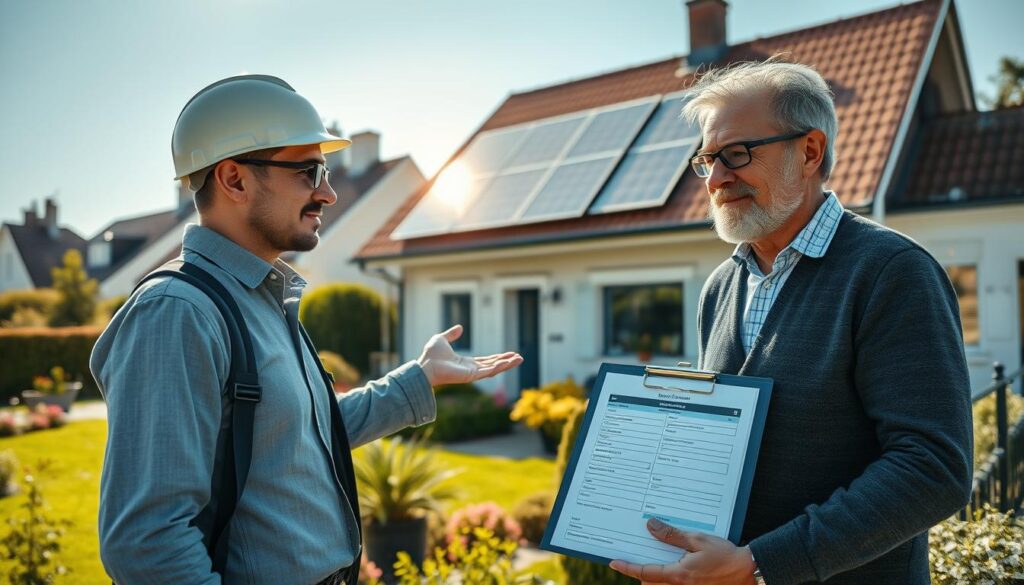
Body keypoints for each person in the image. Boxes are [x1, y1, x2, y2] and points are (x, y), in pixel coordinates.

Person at [91, 74, 523, 585]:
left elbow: (298, 434)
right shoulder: (177, 313)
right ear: (234, 179)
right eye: (309, 171)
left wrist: (420, 378)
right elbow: (147, 545)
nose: (329, 193)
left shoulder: (257, 297)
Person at [609, 59, 972, 585]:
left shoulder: (893, 273)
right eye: (706, 159)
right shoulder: (719, 288)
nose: (715, 178)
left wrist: (760, 564)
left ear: (809, 151)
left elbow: (933, 468)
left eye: (736, 154)